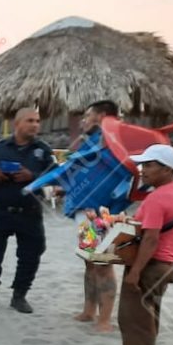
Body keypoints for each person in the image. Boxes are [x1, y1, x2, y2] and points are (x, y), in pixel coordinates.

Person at [0, 108, 56, 313]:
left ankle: (19, 296)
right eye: (30, 120)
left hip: (30, 212)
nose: (36, 125)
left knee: (30, 256)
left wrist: (32, 176)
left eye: (38, 121)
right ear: (17, 123)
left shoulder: (44, 151)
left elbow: (57, 176)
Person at [113, 145, 173, 345]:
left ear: (167, 169)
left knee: (135, 315)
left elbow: (150, 239)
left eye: (149, 165)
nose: (142, 170)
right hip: (167, 262)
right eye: (143, 164)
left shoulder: (157, 198)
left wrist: (136, 272)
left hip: (150, 264)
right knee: (150, 311)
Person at [70, 100, 122, 331]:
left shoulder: (111, 141)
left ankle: (105, 319)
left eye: (88, 116)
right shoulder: (92, 142)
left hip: (101, 213)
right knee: (90, 262)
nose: (84, 120)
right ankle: (89, 311)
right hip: (86, 211)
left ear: (102, 117)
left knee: (102, 263)